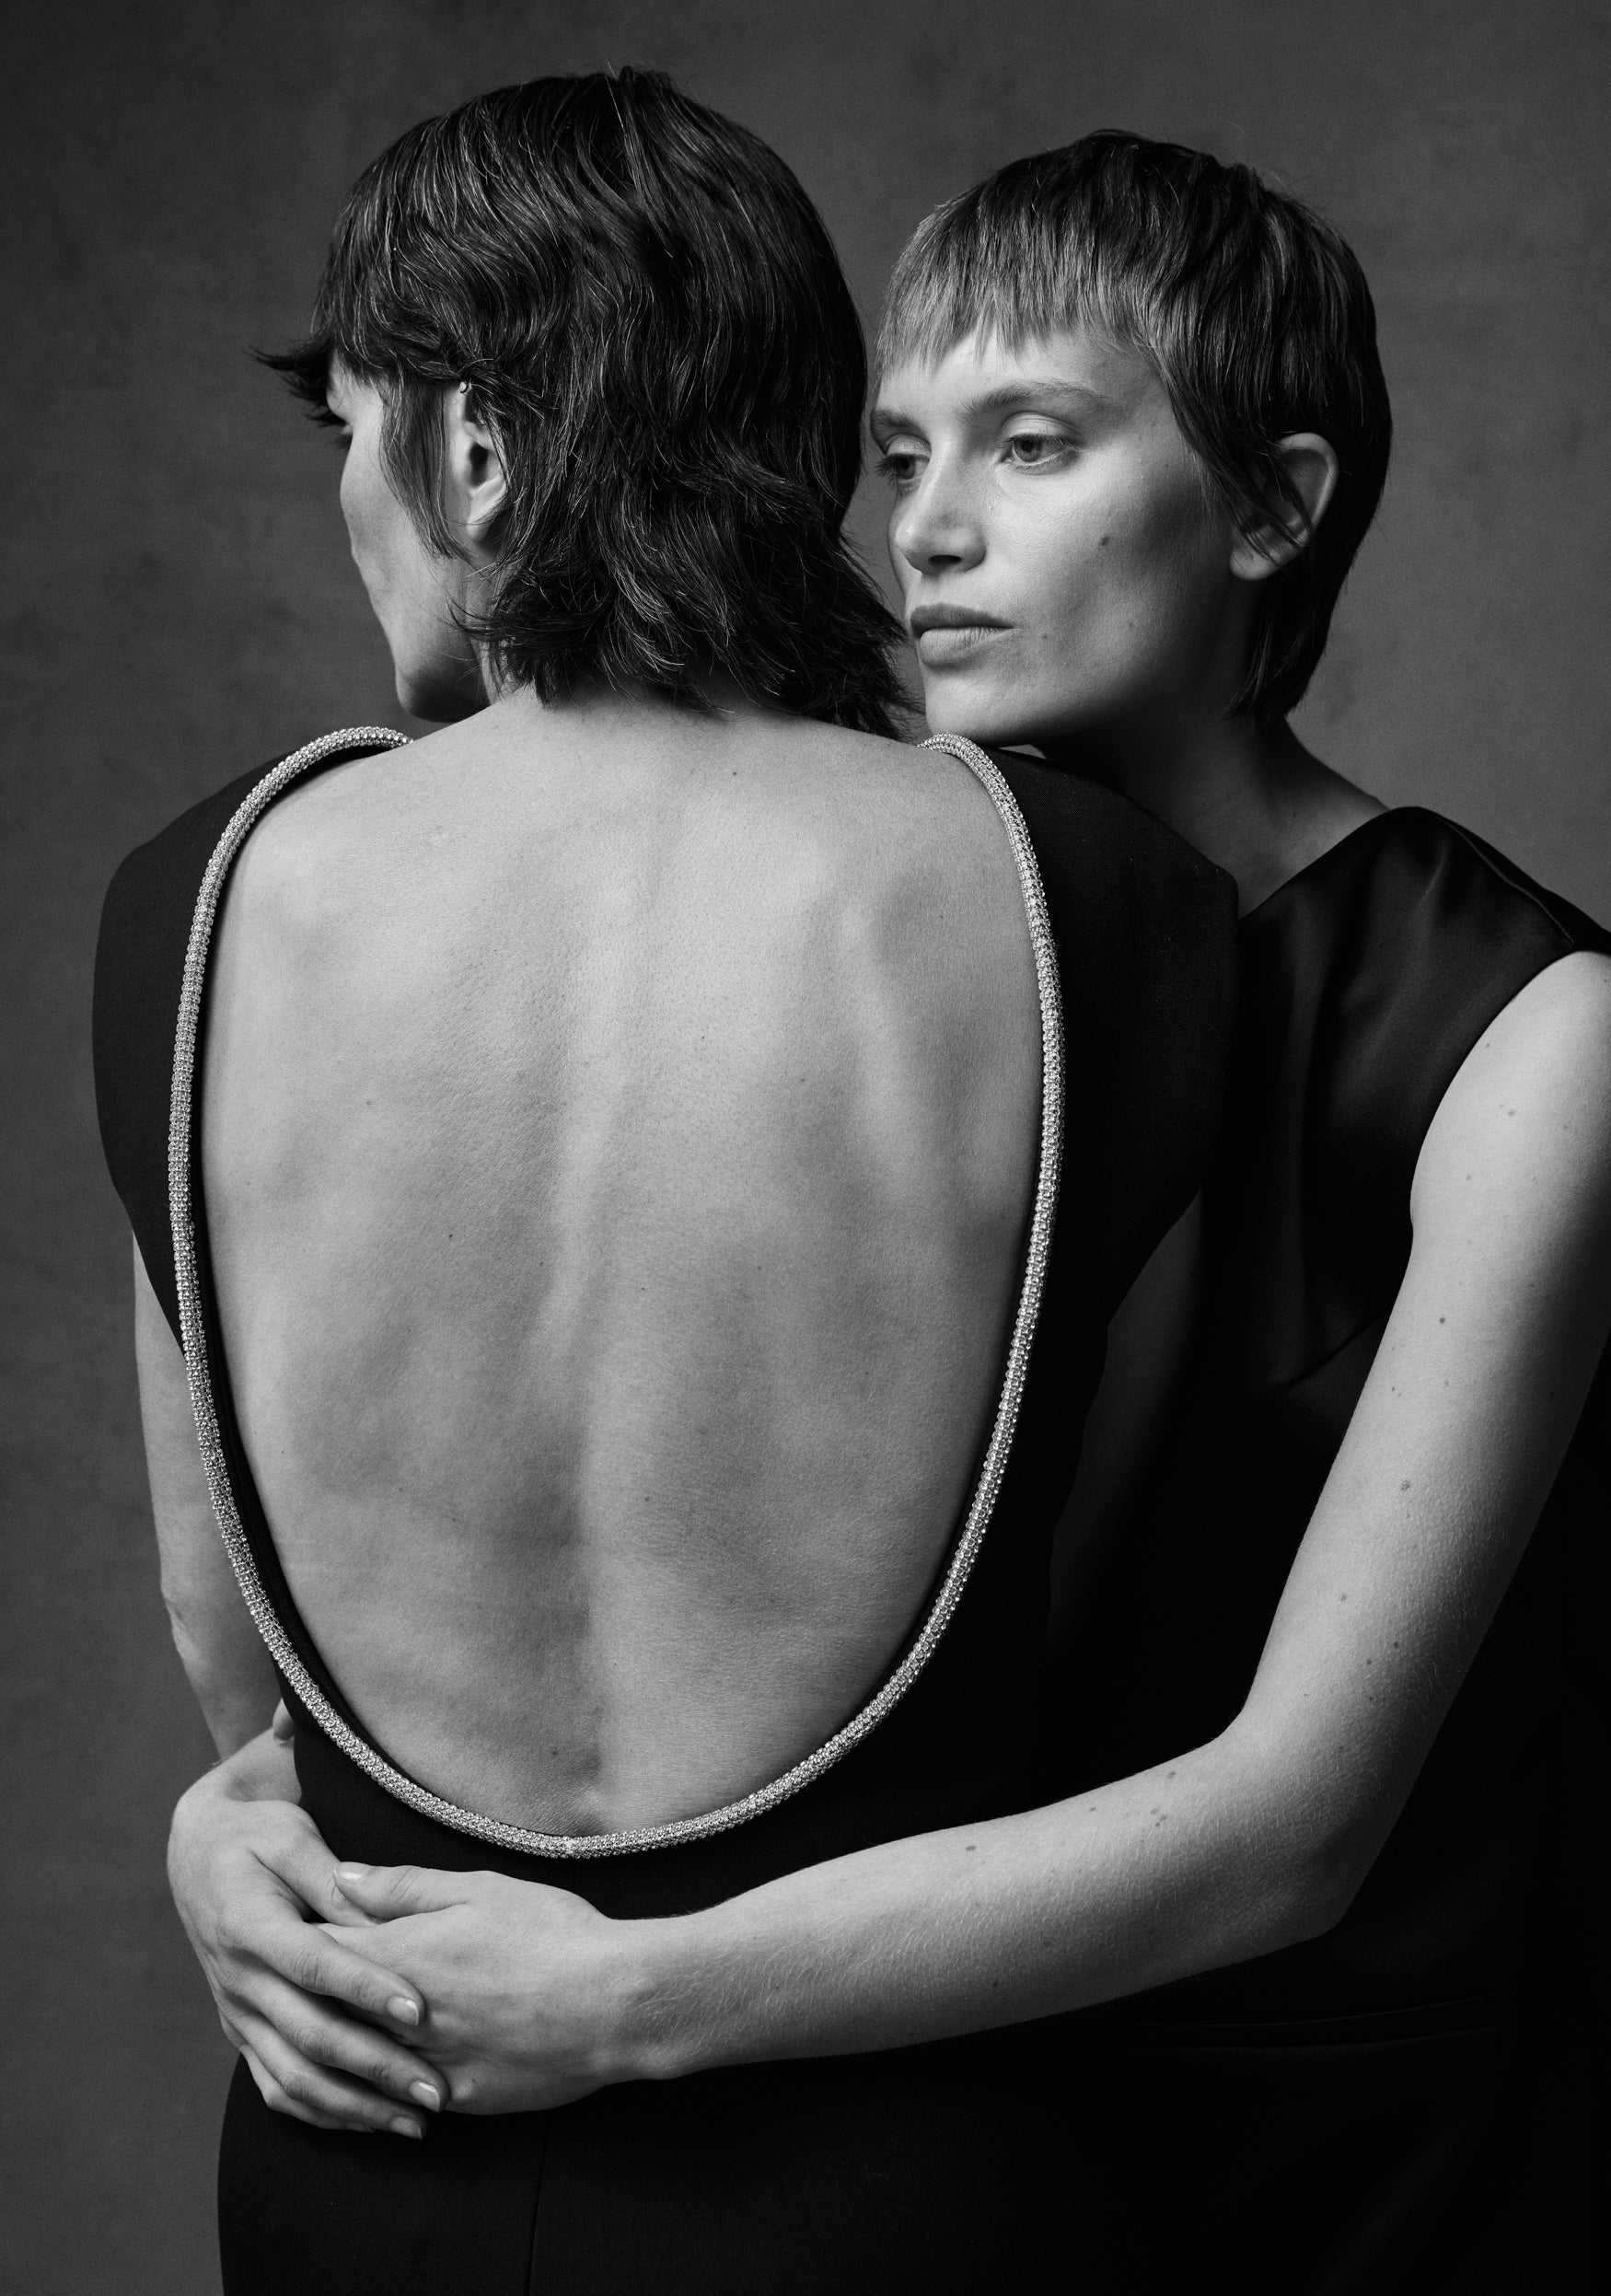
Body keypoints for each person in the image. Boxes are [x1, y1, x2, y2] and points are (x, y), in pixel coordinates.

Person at [151, 126, 1611, 2290]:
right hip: (877, 2121)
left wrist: (618, 1999)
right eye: (897, 449)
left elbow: (1294, 1825)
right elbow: (523, 1569)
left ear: (1274, 505)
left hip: (1322, 2161)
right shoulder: (900, 930)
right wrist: (246, 1819)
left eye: (1029, 445)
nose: (927, 529)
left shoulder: (1530, 1035)